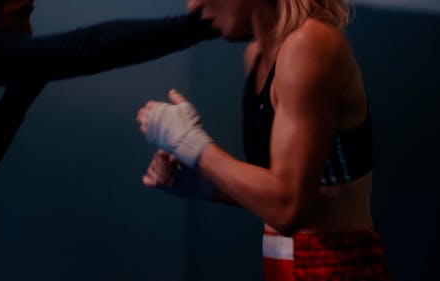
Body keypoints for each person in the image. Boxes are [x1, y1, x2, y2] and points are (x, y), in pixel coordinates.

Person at [136, 0, 391, 279]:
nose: (193, 5)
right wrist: (203, 185)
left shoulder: (310, 44)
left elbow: (289, 208)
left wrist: (192, 145)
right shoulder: (257, 56)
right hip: (280, 264)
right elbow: (280, 189)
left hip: (334, 266)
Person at [0, 0, 217, 250]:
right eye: (20, 15)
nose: (27, 31)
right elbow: (87, 47)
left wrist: (28, 83)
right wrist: (204, 25)